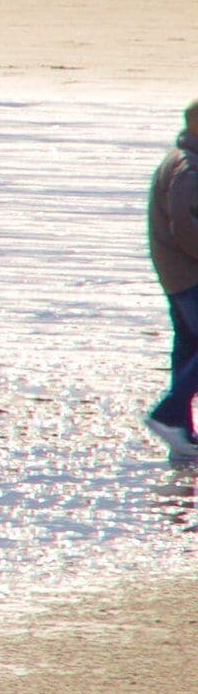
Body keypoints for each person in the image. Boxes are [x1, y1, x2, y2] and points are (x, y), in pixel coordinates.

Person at [150, 103, 198, 461]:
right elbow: (184, 227)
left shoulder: (180, 159)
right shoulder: (188, 168)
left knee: (186, 349)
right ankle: (169, 414)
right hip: (189, 274)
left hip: (176, 273)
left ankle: (179, 432)